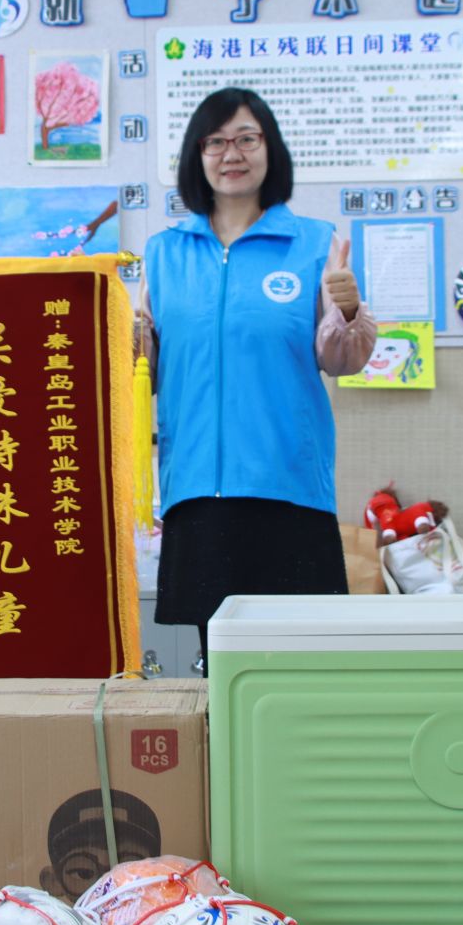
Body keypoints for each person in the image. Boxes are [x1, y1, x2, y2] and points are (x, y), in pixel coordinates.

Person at [141, 87, 375, 668]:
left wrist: (348, 309)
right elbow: (142, 370)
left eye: (247, 138)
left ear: (270, 149)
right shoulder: (164, 254)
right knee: (222, 673)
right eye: (215, 141)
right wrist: (120, 335)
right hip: (198, 490)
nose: (232, 153)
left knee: (304, 673)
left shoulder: (314, 244)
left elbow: (342, 359)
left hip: (288, 488)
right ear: (197, 156)